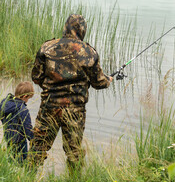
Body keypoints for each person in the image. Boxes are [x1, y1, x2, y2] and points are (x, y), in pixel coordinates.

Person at [28, 14, 113, 175]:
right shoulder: (88, 52)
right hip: (75, 111)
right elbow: (99, 83)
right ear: (82, 30)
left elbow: (36, 77)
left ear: (65, 27)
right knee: (74, 153)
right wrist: (108, 80)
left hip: (49, 107)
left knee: (37, 148)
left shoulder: (46, 47)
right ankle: (74, 178)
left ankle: (27, 176)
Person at [0, 81, 35, 163]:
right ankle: (21, 174)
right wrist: (33, 138)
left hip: (8, 136)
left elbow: (0, 116)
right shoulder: (23, 109)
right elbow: (27, 128)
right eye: (28, 99)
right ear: (25, 96)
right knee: (22, 161)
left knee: (11, 158)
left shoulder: (4, 102)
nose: (27, 101)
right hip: (20, 141)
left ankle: (11, 173)